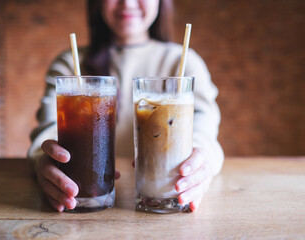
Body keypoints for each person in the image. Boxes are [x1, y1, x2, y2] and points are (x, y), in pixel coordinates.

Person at [28, 0, 224, 212]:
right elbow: (47, 132)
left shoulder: (184, 62)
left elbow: (205, 130)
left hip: (166, 195)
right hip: (82, 196)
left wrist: (198, 164)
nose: (128, 3)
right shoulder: (69, 63)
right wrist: (45, 160)